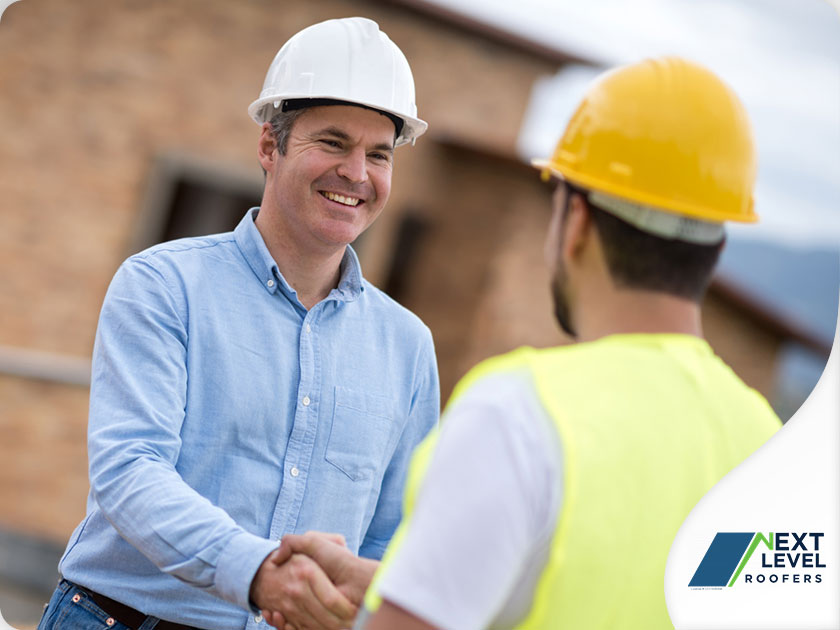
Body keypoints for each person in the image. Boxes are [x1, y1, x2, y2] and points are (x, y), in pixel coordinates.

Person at [263, 57, 782, 630]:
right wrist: (395, 590)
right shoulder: (769, 447)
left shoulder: (520, 414)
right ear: (715, 243)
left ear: (576, 221)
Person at [37, 17, 439, 630]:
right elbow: (130, 469)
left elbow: (392, 532)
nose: (357, 173)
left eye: (378, 154)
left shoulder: (408, 346)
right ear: (269, 147)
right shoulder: (164, 285)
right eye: (332, 143)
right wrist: (256, 572)